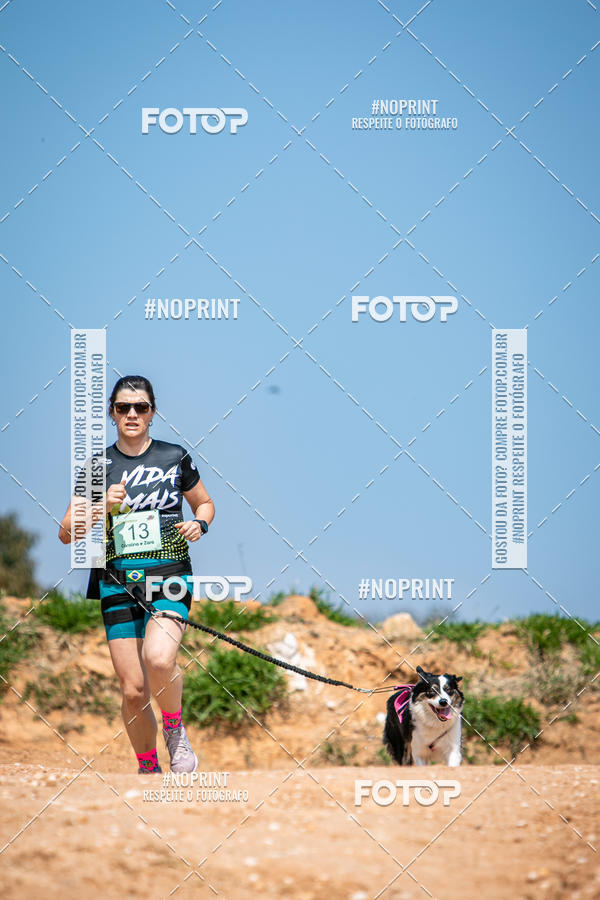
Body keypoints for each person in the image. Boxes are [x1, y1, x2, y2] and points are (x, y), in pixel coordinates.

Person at [59, 375, 214, 774]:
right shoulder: (98, 467)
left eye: (140, 407)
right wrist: (100, 507)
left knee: (159, 659)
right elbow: (65, 533)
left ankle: (175, 732)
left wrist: (200, 523)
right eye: (124, 407)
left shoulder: (174, 456)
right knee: (133, 689)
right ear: (112, 412)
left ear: (152, 413)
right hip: (116, 580)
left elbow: (206, 503)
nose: (132, 414)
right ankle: (148, 769)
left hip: (169, 573)